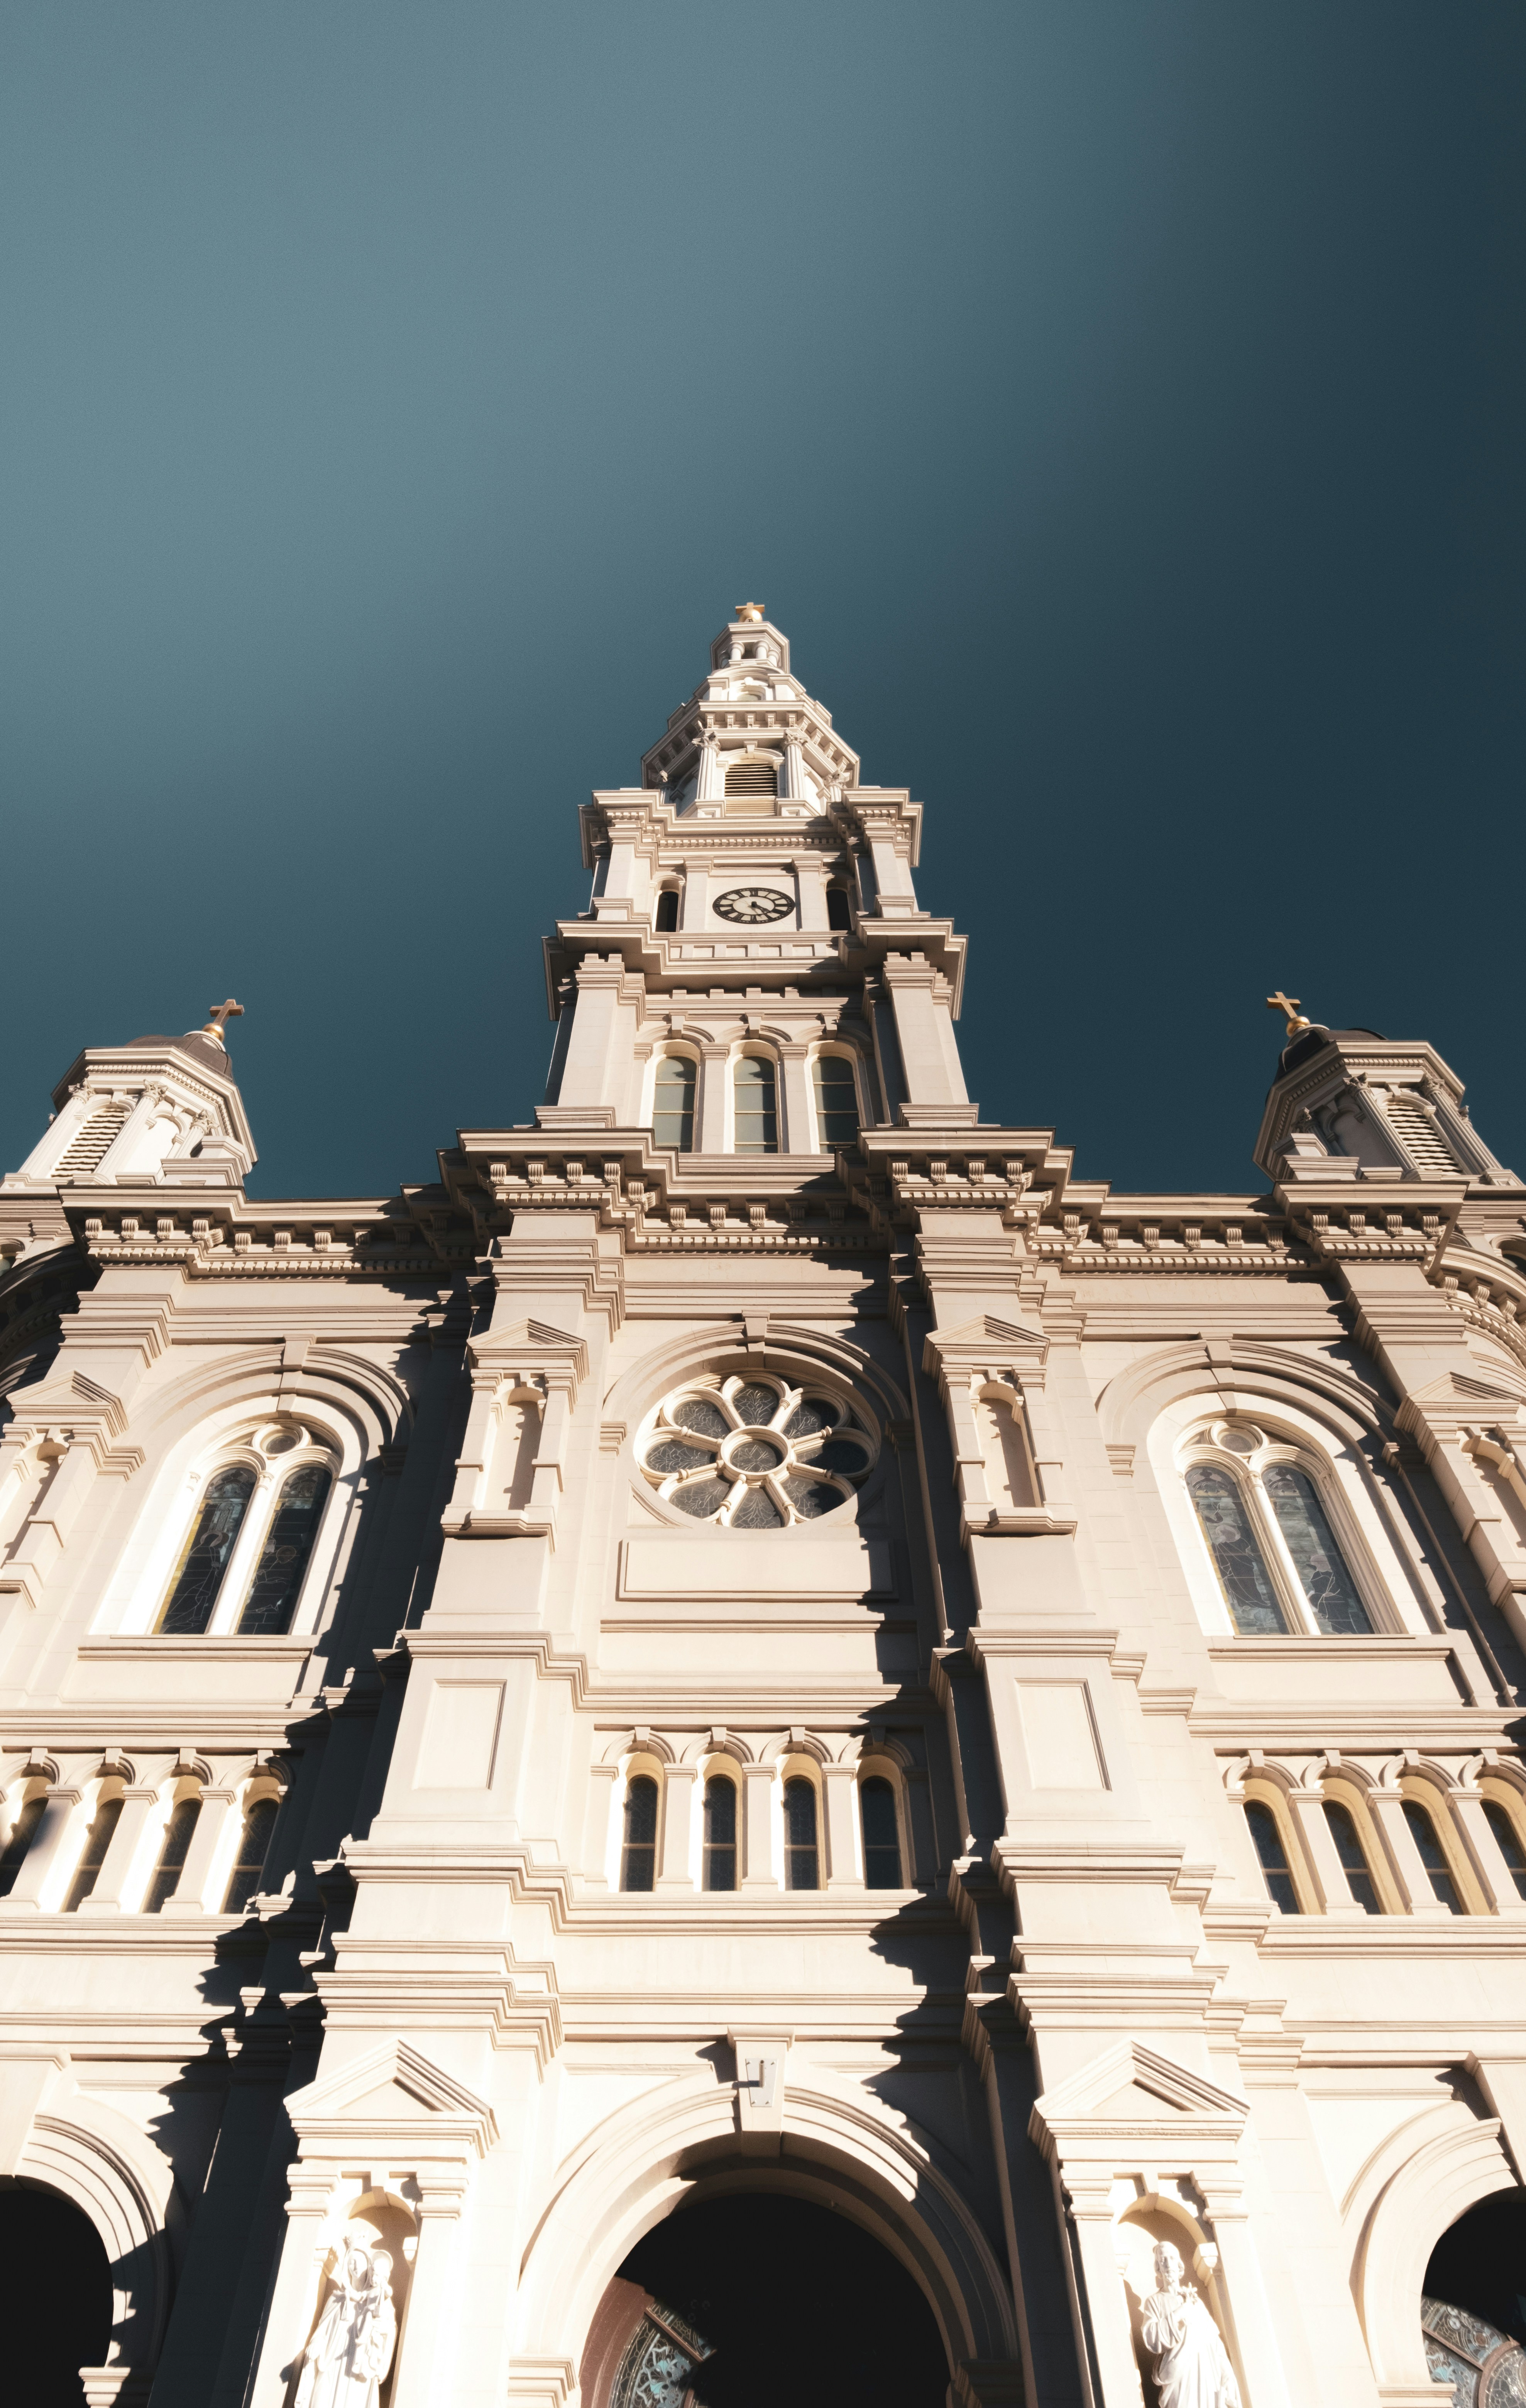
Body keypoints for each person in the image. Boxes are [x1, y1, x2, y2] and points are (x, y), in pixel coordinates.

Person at [294, 2240, 398, 2408]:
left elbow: (389, 2332)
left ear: (369, 2267)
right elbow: (322, 2331)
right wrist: (317, 2343)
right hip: (330, 2364)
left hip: (357, 2372)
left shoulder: (379, 2302)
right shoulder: (336, 2300)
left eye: (360, 2262)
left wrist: (379, 2331)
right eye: (351, 2261)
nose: (355, 2266)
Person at [1140, 2241, 1241, 2408]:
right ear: (1158, 2266)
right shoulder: (1154, 2302)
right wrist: (1180, 2313)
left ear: (1179, 2263)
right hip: (1179, 2375)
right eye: (1163, 2259)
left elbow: (1214, 2343)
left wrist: (1228, 2376)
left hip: (1207, 2372)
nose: (1168, 2264)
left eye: (1172, 2258)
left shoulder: (1195, 2301)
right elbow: (1152, 2338)